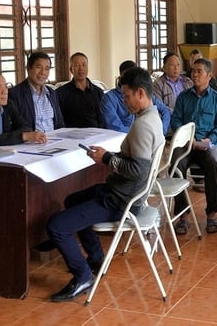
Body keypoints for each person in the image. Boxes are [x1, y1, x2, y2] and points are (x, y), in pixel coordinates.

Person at [45, 66, 164, 302]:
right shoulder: (152, 116)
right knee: (71, 200)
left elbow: (137, 170)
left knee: (56, 226)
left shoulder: (142, 125)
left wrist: (106, 158)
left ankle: (82, 277)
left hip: (121, 200)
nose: (125, 101)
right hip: (122, 192)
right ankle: (97, 258)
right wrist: (109, 156)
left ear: (140, 93)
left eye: (127, 96)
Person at [170, 58, 217, 235]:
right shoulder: (183, 97)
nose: (194, 74)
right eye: (193, 71)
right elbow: (176, 121)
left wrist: (209, 141)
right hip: (187, 144)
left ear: (209, 76)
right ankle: (183, 214)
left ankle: (211, 213)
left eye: (199, 71)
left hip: (206, 144)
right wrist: (188, 139)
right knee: (175, 165)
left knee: (212, 163)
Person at [101, 60, 171, 134]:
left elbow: (165, 111)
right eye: (127, 76)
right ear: (121, 77)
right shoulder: (109, 99)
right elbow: (115, 127)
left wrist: (162, 129)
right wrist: (141, 132)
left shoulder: (145, 96)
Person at [8, 51, 65, 132]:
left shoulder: (52, 93)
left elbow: (60, 123)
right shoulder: (15, 94)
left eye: (47, 69)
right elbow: (15, 126)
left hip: (54, 140)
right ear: (28, 68)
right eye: (39, 67)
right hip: (31, 142)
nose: (43, 72)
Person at [57, 52, 105, 128]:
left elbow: (103, 118)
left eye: (84, 65)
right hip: (72, 136)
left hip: (96, 134)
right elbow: (60, 121)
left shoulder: (98, 92)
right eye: (76, 65)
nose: (81, 69)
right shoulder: (61, 93)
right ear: (71, 69)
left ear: (88, 68)